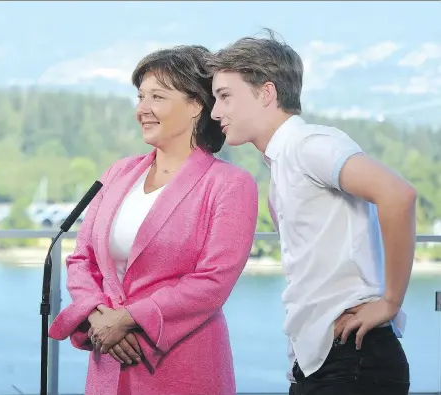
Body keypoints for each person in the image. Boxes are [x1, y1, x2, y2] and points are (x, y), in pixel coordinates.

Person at [207, 29, 416, 395]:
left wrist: (390, 302)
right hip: (325, 364)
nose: (215, 112)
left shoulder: (309, 145)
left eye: (225, 96)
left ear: (266, 92)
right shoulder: (283, 164)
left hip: (355, 361)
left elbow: (398, 195)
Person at [48, 45, 259, 395]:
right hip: (108, 362)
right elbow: (81, 259)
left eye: (157, 97)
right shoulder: (118, 173)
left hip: (181, 366)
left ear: (195, 105)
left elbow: (213, 282)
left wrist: (128, 319)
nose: (142, 109)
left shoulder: (230, 185)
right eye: (140, 96)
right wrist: (100, 317)